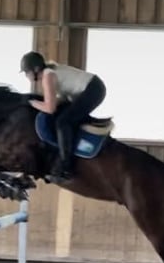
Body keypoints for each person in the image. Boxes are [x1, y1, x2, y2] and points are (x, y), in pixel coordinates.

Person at [19, 51, 106, 181]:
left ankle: (66, 166)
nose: (26, 75)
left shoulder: (48, 77)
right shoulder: (49, 73)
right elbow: (57, 101)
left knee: (63, 122)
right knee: (63, 116)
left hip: (93, 89)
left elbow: (49, 108)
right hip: (93, 87)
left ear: (36, 69)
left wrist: (31, 102)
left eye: (27, 72)